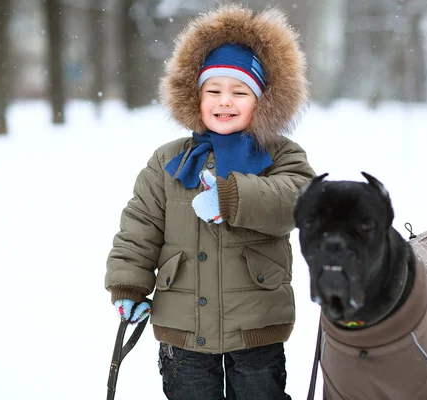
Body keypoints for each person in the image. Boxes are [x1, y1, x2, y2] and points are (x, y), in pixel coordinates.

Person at [104, 4, 315, 400]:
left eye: (240, 92)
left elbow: (298, 199)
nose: (225, 101)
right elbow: (140, 226)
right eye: (213, 91)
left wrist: (233, 198)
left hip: (256, 324)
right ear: (195, 97)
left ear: (263, 100)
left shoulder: (281, 155)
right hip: (183, 326)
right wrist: (129, 285)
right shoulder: (170, 160)